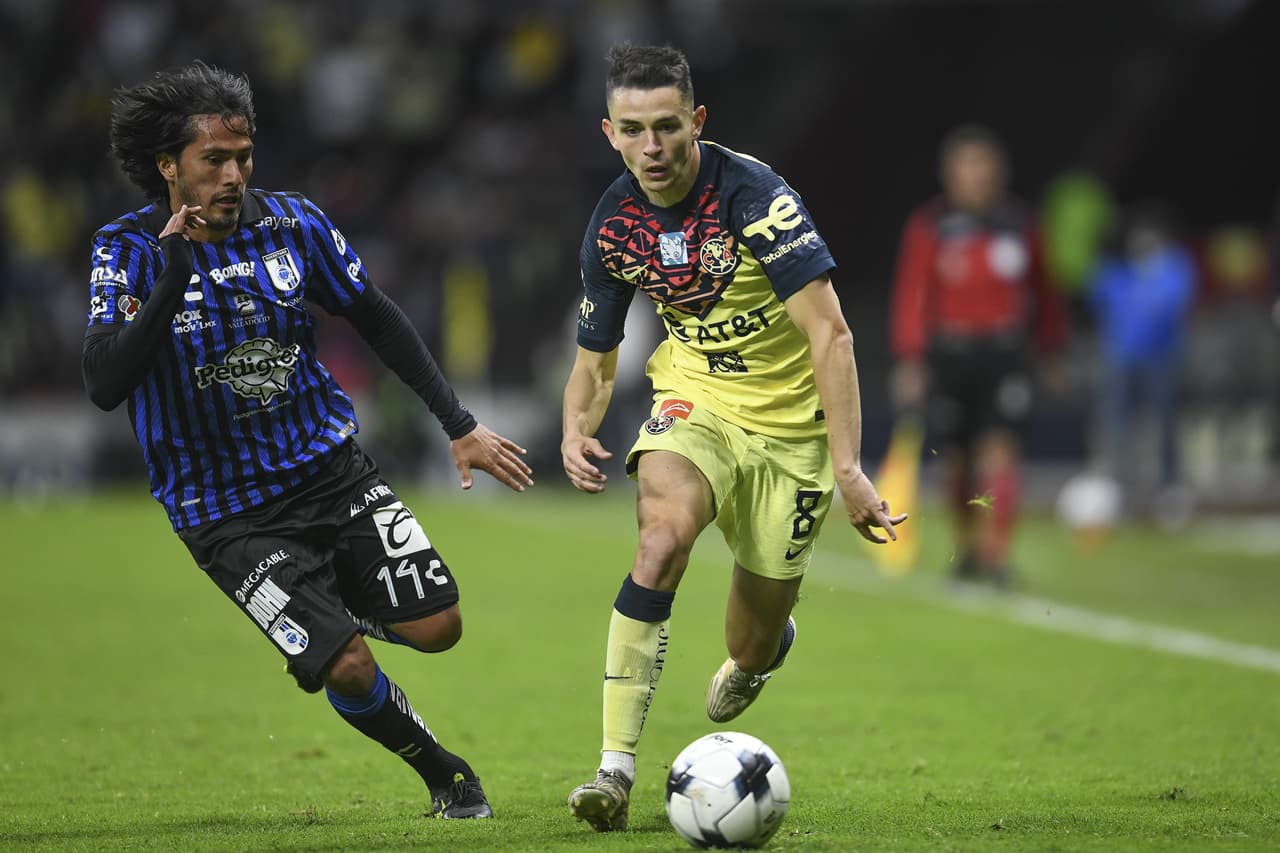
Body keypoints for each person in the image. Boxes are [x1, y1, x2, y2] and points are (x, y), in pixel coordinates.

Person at [83, 62, 533, 820]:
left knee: (440, 626)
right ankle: (446, 775)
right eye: (213, 161)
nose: (233, 175)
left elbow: (377, 314)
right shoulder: (123, 251)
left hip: (332, 473)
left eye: (243, 157)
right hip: (227, 515)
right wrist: (171, 277)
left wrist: (459, 424)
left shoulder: (294, 224)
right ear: (169, 167)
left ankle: (327, 607)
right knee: (348, 666)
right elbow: (104, 381)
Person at [560, 44, 905, 832]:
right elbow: (596, 357)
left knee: (746, 643)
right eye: (634, 130)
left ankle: (763, 648)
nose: (652, 147)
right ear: (609, 132)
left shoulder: (755, 199)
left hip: (794, 435)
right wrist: (576, 426)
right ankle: (613, 770)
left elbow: (833, 336)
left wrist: (848, 467)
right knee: (661, 540)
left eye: (668, 127)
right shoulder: (614, 224)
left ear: (697, 122)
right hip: (697, 402)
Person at [889, 124, 1067, 585]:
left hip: (1005, 355)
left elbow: (1045, 293)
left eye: (984, 165)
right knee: (958, 462)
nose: (977, 175)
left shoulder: (1020, 225)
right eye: (967, 166)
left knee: (1000, 452)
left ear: (999, 172)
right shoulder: (932, 226)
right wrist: (911, 359)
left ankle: (995, 553)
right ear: (950, 174)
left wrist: (1050, 350)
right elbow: (913, 293)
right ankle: (967, 546)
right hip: (951, 356)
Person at [1089, 206, 1196, 516]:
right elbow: (1095, 295)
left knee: (1165, 425)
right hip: (1120, 361)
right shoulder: (1119, 273)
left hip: (1162, 360)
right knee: (1117, 426)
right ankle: (1121, 485)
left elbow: (1170, 306)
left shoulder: (1175, 267)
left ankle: (1169, 485)